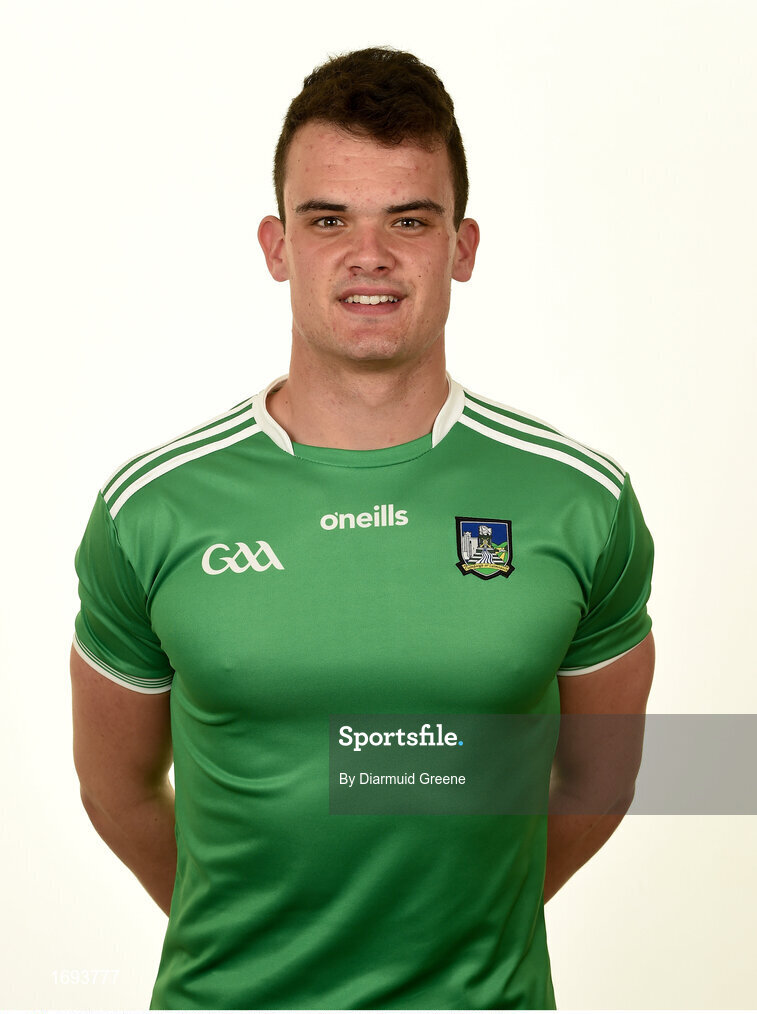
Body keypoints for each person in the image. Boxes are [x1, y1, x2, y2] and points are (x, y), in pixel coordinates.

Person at [70, 46, 655, 1010]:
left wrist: (470, 927)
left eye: (409, 220)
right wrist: (253, 937)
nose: (368, 255)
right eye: (328, 218)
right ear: (277, 245)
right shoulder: (152, 509)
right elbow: (115, 789)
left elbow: (602, 778)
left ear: (461, 247)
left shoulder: (580, 502)